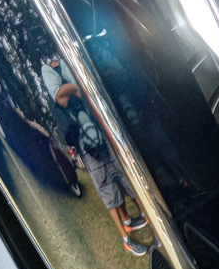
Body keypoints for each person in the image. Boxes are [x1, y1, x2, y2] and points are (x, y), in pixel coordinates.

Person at [40, 54, 149, 256]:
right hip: (87, 145)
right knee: (107, 189)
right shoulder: (51, 75)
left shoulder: (71, 60)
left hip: (100, 135)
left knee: (121, 176)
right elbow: (61, 95)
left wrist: (76, 88)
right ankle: (127, 240)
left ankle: (135, 218)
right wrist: (77, 88)